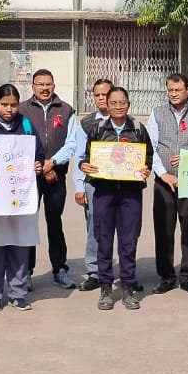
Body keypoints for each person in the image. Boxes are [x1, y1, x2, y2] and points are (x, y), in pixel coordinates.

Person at [79, 86, 155, 310]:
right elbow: (86, 158)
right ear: (106, 105)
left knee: (129, 241)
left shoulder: (138, 129)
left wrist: (146, 169)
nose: (118, 106)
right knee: (104, 240)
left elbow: (148, 156)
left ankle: (128, 287)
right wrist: (86, 167)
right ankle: (105, 288)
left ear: (129, 104)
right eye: (114, 103)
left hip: (130, 194)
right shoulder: (97, 129)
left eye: (122, 102)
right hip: (103, 192)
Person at [0, 85, 44, 311]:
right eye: (4, 105)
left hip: (21, 196)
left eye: (13, 105)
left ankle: (18, 293)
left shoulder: (26, 125)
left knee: (20, 245)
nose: (9, 109)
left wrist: (37, 165)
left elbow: (39, 154)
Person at [18, 69, 79, 289]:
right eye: (40, 84)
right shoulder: (22, 110)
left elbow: (71, 143)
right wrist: (40, 167)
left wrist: (51, 162)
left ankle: (60, 269)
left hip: (56, 177)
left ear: (54, 86)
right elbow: (17, 142)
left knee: (55, 222)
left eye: (48, 84)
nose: (44, 88)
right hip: (28, 177)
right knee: (27, 224)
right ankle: (26, 271)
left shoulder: (66, 110)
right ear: (32, 86)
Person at [149, 72, 188, 295]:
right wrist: (164, 174)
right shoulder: (157, 113)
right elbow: (150, 147)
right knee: (163, 229)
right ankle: (166, 276)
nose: (173, 94)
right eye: (170, 90)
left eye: (178, 90)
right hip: (164, 181)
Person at [71, 79, 113, 291]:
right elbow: (79, 156)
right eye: (97, 95)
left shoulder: (127, 121)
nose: (101, 98)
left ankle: (125, 274)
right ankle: (95, 271)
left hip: (121, 185)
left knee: (123, 229)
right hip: (94, 184)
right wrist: (79, 186)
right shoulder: (86, 124)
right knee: (95, 228)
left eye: (105, 94)